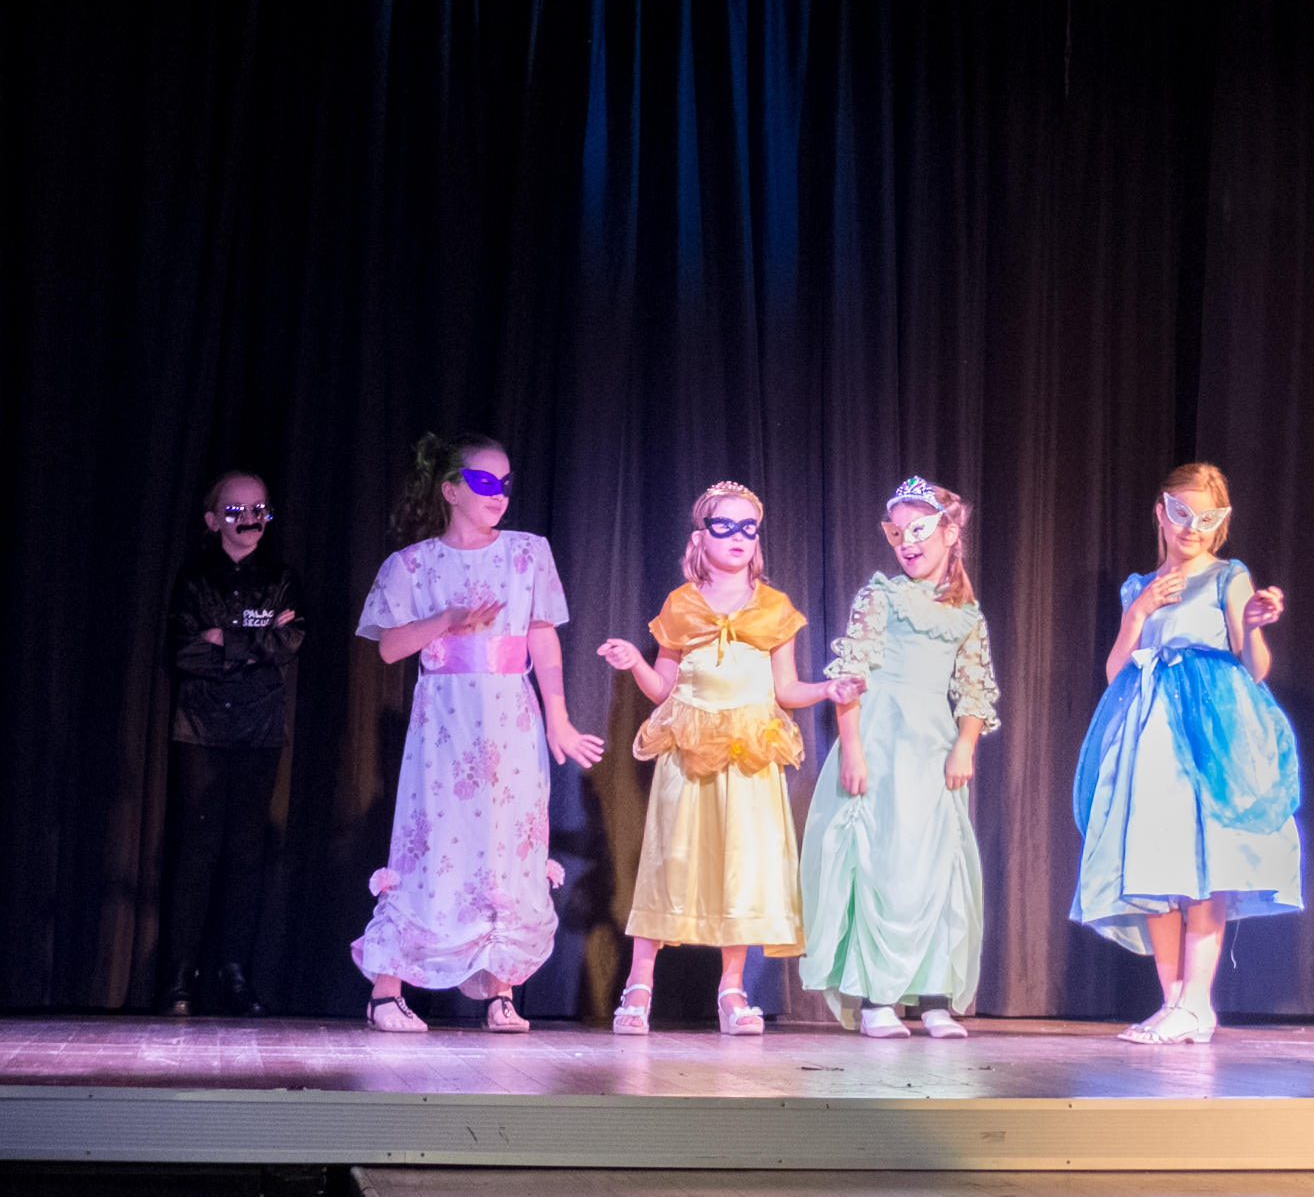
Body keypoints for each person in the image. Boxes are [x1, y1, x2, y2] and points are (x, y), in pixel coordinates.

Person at [352, 432, 604, 1033]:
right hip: (445, 720)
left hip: (511, 716)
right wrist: (447, 619)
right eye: (485, 482)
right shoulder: (413, 564)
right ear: (450, 490)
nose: (499, 494)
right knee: (431, 843)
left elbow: (542, 633)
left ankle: (501, 991)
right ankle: (386, 993)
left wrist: (559, 716)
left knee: (508, 846)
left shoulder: (528, 553)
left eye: (506, 483)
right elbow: (389, 647)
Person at [598, 482, 862, 1036]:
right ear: (701, 536)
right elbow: (663, 689)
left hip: (748, 754)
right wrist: (634, 663)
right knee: (672, 860)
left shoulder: (773, 607)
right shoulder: (682, 604)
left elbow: (785, 689)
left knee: (742, 866)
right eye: (725, 526)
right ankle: (640, 984)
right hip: (691, 750)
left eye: (748, 528)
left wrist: (827, 689)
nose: (738, 537)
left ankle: (732, 989)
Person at [1069, 463, 1301, 1044]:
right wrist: (1138, 612)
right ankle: (1173, 1001)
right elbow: (1115, 672)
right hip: (1150, 731)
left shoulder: (1228, 576)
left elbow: (1256, 667)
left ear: (1220, 523)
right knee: (1154, 860)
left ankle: (1197, 1001)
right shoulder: (1139, 586)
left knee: (1204, 858)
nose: (1191, 528)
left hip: (1209, 729)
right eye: (1180, 514)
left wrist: (1252, 625)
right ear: (1160, 513)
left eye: (1205, 518)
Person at [800, 477, 1000, 1039]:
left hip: (933, 749)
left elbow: (975, 688)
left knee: (936, 867)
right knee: (879, 864)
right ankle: (877, 1000)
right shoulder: (880, 598)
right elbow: (852, 676)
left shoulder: (967, 615)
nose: (907, 543)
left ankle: (934, 999)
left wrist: (965, 745)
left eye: (919, 530)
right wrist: (853, 749)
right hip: (881, 742)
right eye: (897, 533)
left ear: (949, 533)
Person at [162, 471, 304, 1016]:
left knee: (247, 854)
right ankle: (180, 978)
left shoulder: (282, 578)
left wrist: (223, 638)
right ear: (212, 520)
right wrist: (254, 643)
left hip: (259, 730)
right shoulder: (195, 577)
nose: (249, 520)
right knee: (196, 853)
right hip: (200, 728)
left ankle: (236, 974)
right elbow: (183, 651)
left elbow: (289, 641)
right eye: (236, 511)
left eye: (259, 509)